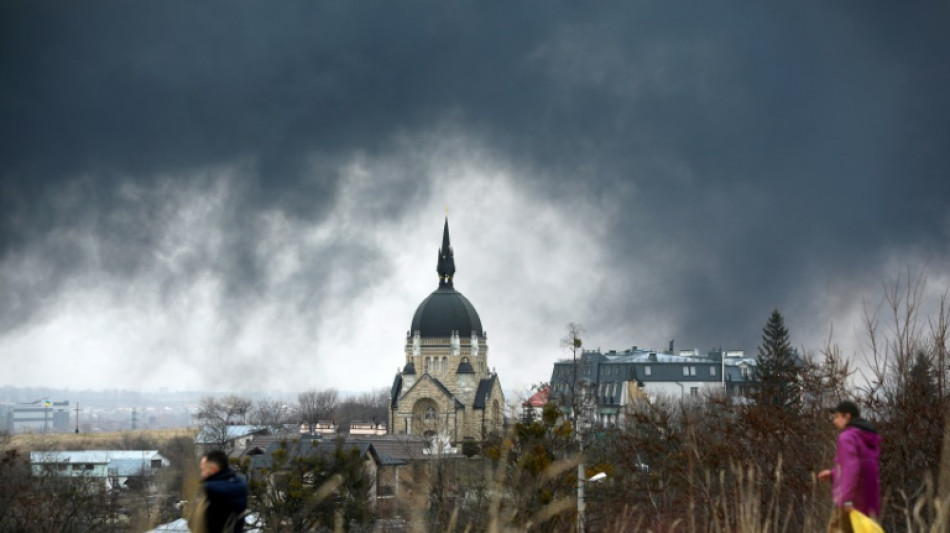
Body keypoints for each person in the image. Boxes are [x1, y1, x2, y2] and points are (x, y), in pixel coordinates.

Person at [818, 400, 882, 532]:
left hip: (850, 502)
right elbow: (862, 467)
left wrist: (847, 500)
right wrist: (833, 474)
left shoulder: (847, 437)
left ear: (847, 416)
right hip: (869, 502)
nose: (834, 421)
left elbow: (851, 468)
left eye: (837, 416)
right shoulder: (866, 437)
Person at [193, 450, 248, 533]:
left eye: (203, 470)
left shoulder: (208, 490)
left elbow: (195, 524)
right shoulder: (240, 484)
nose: (202, 474)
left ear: (214, 469)